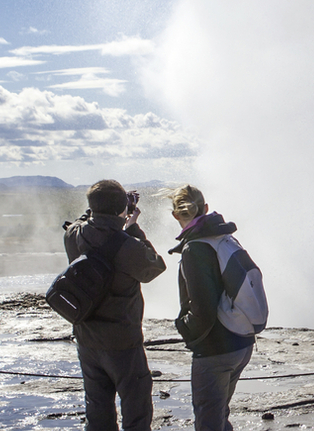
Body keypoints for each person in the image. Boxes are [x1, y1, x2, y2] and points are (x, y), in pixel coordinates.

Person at [66, 180, 168, 431]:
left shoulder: (74, 235)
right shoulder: (126, 245)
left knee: (97, 410)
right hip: (122, 341)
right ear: (122, 208)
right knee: (136, 410)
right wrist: (133, 228)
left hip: (86, 338)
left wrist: (105, 213)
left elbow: (83, 222)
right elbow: (154, 266)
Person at [169, 185, 257, 431]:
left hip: (215, 348)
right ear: (205, 209)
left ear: (175, 215)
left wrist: (185, 331)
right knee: (219, 415)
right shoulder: (224, 236)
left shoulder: (195, 248)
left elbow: (203, 309)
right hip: (242, 340)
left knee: (209, 422)